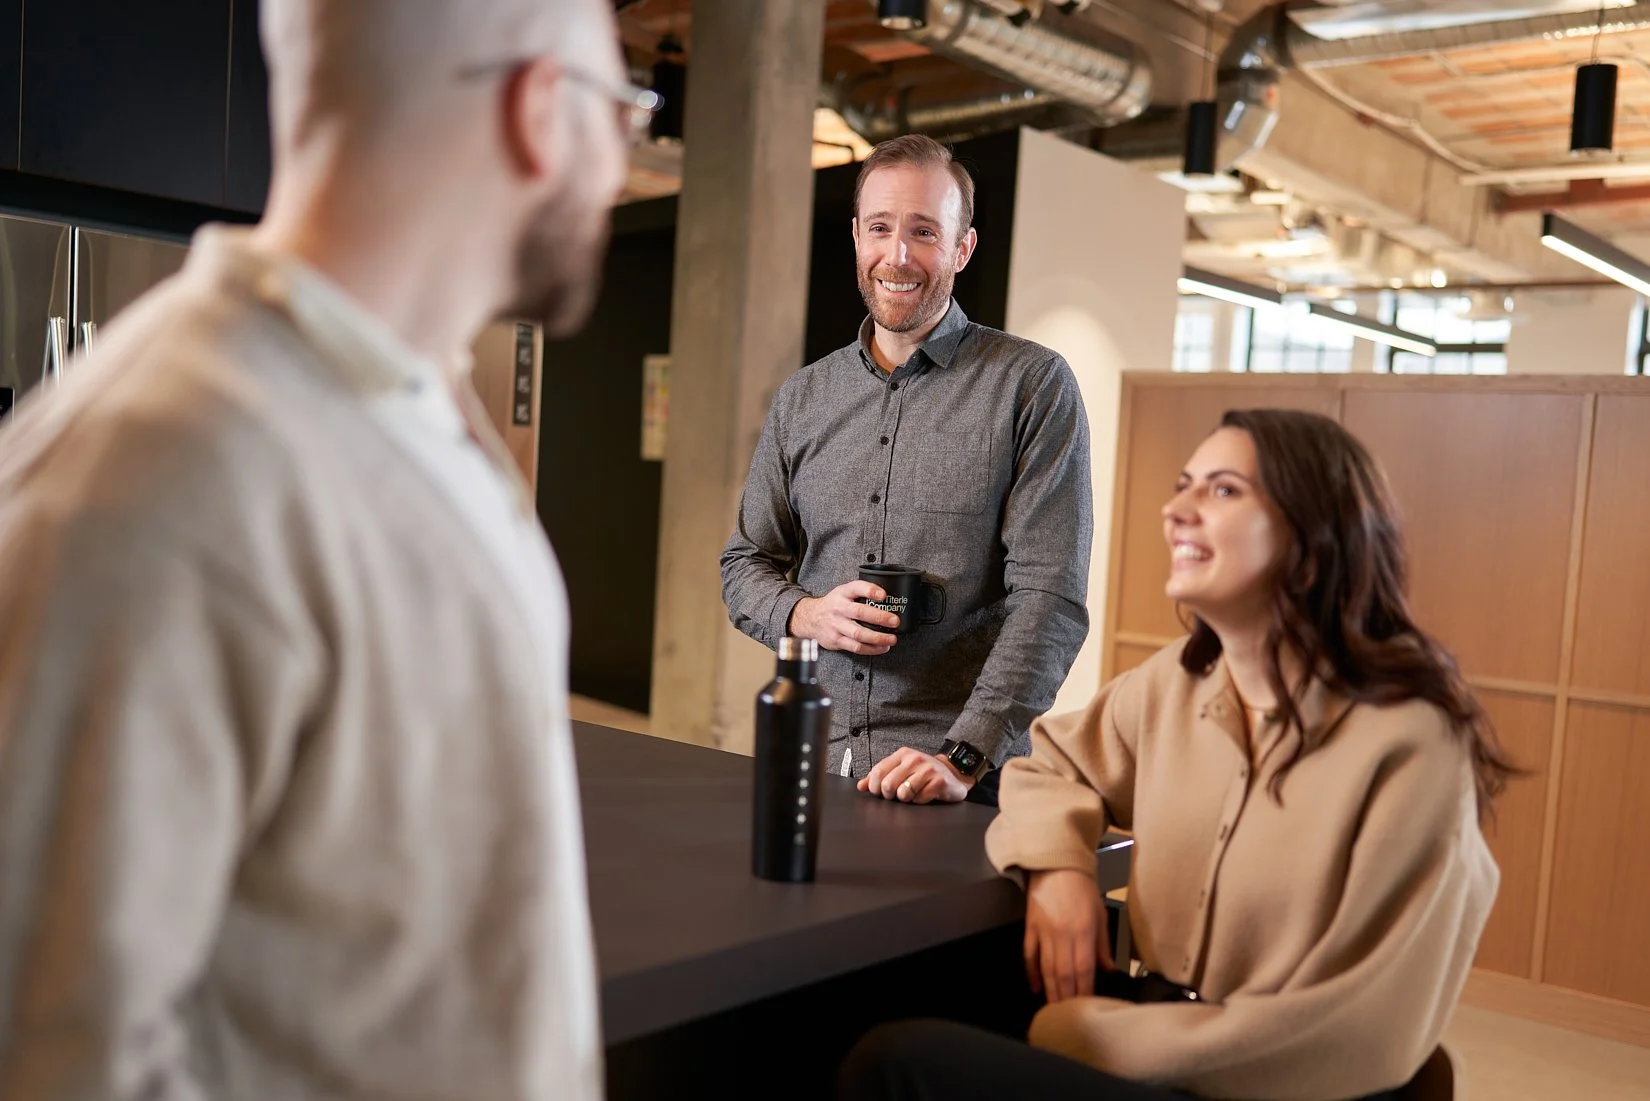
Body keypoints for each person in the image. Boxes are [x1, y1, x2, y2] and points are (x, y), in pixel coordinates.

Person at [0, 2, 644, 1099]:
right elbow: (60, 1059)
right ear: (540, 111)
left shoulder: (417, 408)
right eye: (621, 108)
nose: (622, 157)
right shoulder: (163, 480)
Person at [838, 409, 1516, 1101]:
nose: (1176, 510)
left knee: (899, 1063)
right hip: (1160, 1017)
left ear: (1314, 537)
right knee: (884, 998)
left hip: (1265, 1081)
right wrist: (1058, 870)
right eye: (1184, 485)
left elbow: (1353, 1031)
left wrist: (1093, 1036)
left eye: (1222, 491)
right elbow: (1053, 765)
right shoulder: (1179, 681)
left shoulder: (1411, 740)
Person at [720, 134, 1093, 807]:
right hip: (814, 756)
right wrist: (805, 613)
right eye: (881, 229)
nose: (897, 256)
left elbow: (1051, 600)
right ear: (857, 236)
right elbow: (744, 564)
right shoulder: (804, 397)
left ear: (962, 248)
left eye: (923, 232)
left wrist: (964, 755)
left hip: (959, 781)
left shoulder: (1031, 386)